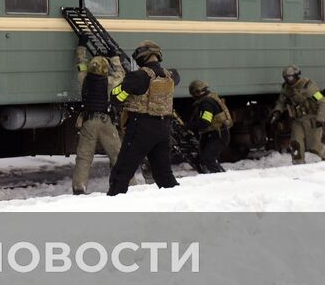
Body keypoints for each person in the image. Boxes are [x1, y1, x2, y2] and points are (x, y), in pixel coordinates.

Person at [106, 41, 180, 195]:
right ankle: (178, 207)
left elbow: (116, 97)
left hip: (140, 128)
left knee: (121, 174)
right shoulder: (171, 75)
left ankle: (113, 207)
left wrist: (123, 83)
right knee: (164, 175)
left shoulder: (137, 77)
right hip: (163, 129)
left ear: (140, 58)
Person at [72, 42, 123, 194]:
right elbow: (120, 74)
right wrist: (114, 57)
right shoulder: (109, 82)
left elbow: (80, 65)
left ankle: (79, 186)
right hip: (105, 121)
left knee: (84, 156)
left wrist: (81, 48)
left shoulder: (84, 79)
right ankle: (129, 184)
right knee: (117, 155)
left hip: (88, 121)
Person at [270, 66, 325, 164]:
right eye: (286, 78)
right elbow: (281, 102)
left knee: (313, 146)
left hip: (311, 119)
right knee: (295, 143)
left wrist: (320, 118)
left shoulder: (308, 87)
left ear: (296, 76)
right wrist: (277, 112)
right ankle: (298, 163)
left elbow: (322, 102)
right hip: (297, 120)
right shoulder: (286, 88)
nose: (288, 80)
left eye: (290, 77)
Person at [186, 79, 230, 174]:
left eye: (193, 94)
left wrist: (189, 126)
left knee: (208, 158)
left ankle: (220, 178)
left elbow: (205, 122)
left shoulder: (207, 103)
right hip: (213, 135)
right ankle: (212, 176)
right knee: (201, 159)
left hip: (218, 136)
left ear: (197, 92)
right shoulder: (207, 100)